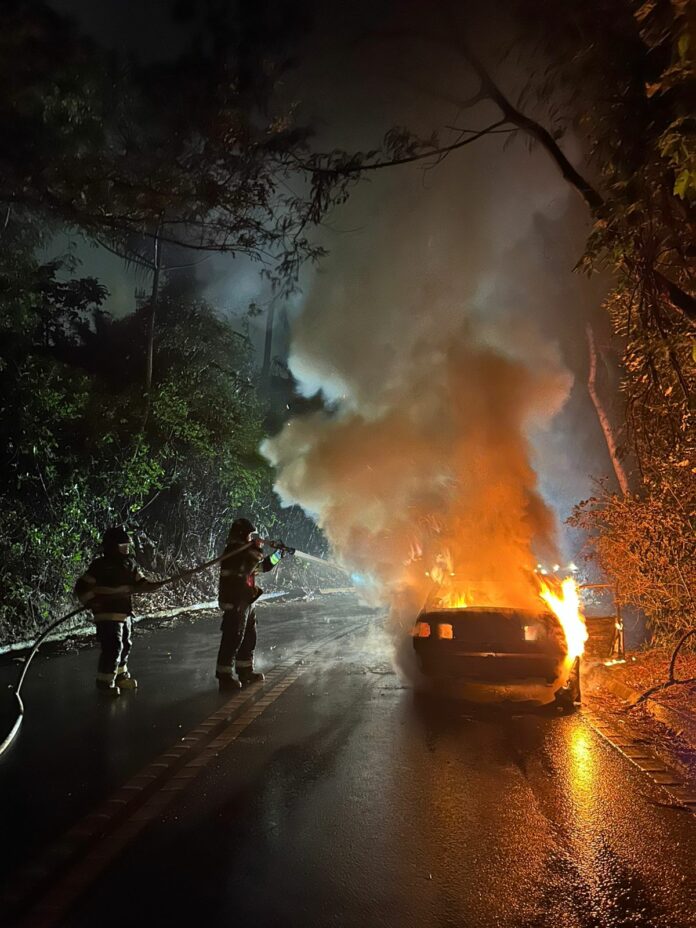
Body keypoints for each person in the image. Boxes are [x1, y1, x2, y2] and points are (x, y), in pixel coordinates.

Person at [75, 525, 163, 697]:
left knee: (125, 644)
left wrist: (154, 586)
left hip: (124, 613)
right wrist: (92, 603)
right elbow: (81, 587)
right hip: (106, 614)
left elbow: (141, 583)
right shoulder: (99, 566)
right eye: (123, 546)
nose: (126, 549)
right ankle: (105, 681)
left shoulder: (130, 564)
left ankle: (121, 676)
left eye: (127, 546)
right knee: (113, 646)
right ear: (112, 547)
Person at [215, 517, 291, 691]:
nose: (251, 538)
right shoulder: (233, 551)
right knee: (233, 638)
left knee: (249, 636)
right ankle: (224, 678)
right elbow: (250, 562)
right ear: (242, 535)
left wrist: (278, 555)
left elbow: (261, 566)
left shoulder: (245, 551)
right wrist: (256, 547)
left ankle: (245, 671)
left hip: (246, 600)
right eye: (249, 535)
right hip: (235, 601)